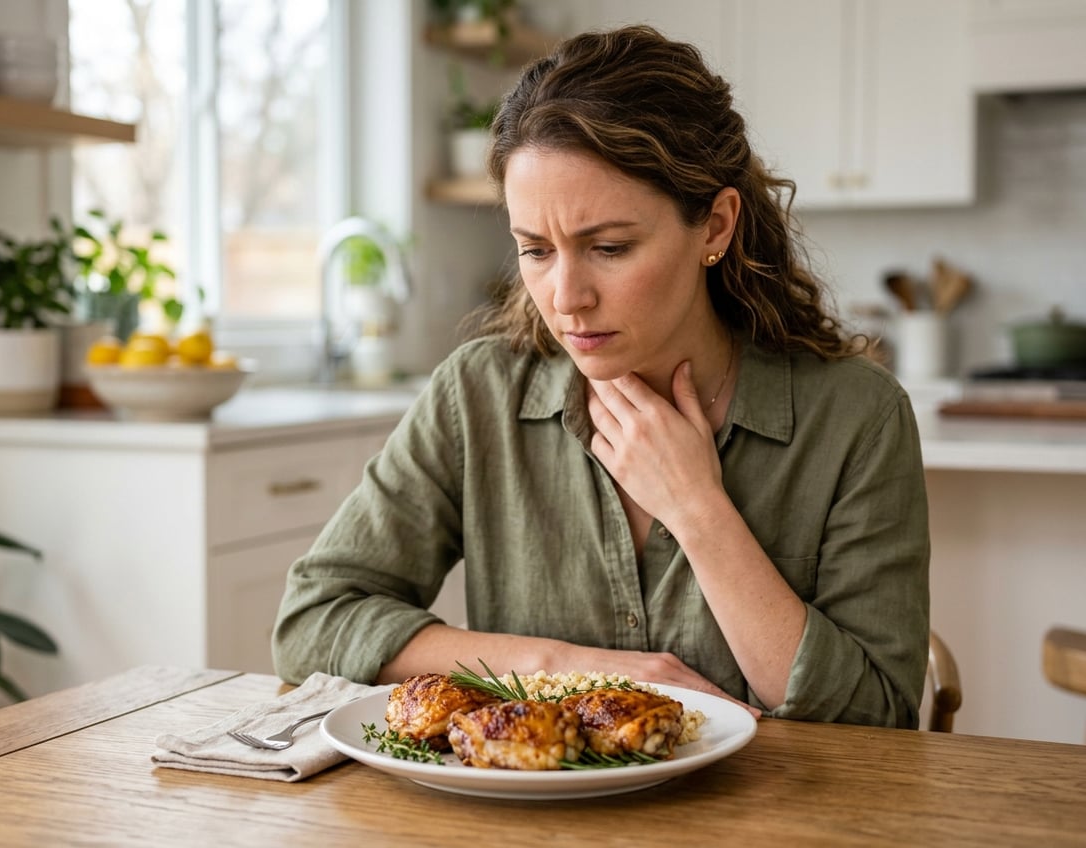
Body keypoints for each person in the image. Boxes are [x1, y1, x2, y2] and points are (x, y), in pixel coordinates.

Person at [273, 24, 929, 728]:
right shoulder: (479, 394)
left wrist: (697, 508)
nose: (565, 296)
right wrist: (560, 666)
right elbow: (314, 621)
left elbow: (875, 718)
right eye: (534, 250)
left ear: (714, 225)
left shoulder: (857, 416)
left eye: (609, 247)